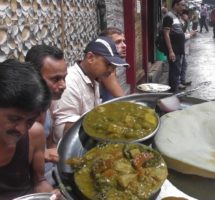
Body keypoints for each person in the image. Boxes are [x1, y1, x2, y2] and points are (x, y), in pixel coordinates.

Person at [52, 37, 128, 143]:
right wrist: (108, 127)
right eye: (108, 64)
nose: (111, 70)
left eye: (113, 66)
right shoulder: (70, 82)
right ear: (90, 57)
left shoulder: (93, 78)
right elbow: (62, 129)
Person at [0, 59, 56, 199]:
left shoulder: (34, 134)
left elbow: (39, 180)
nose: (21, 129)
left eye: (30, 121)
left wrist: (48, 195)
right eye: (14, 119)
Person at [25, 45, 68, 184]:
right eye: (55, 79)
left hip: (53, 176)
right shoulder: (17, 115)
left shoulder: (48, 104)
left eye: (64, 78)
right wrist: (41, 155)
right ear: (34, 77)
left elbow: (50, 143)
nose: (63, 85)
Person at [163, 0, 186, 92]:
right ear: (176, 5)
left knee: (177, 71)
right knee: (174, 73)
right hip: (174, 49)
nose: (183, 8)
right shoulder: (168, 16)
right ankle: (173, 93)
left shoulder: (177, 16)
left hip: (179, 49)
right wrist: (171, 51)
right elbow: (166, 34)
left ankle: (174, 92)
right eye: (182, 5)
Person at [99, 27, 127, 102]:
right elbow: (122, 99)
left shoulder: (111, 65)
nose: (124, 45)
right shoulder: (105, 67)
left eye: (123, 41)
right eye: (118, 42)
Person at [179, 10, 197, 89]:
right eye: (187, 15)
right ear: (183, 15)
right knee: (179, 66)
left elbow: (187, 33)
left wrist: (191, 33)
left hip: (185, 48)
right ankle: (178, 83)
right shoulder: (180, 23)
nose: (189, 16)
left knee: (184, 65)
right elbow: (182, 36)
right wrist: (190, 34)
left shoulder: (186, 23)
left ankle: (182, 80)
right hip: (180, 48)